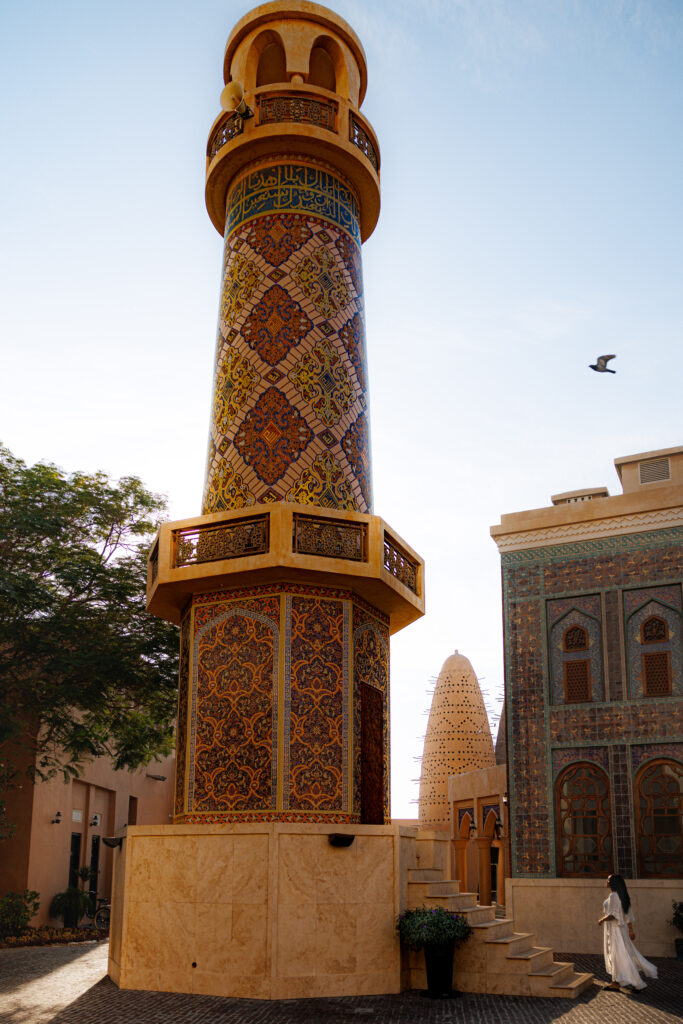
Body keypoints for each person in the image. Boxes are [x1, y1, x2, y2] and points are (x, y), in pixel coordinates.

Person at [598, 874, 657, 991]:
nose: (607, 881)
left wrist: (601, 919)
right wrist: (630, 930)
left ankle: (631, 983)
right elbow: (628, 915)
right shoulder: (622, 896)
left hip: (615, 930)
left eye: (609, 879)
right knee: (622, 955)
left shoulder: (614, 896)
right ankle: (623, 982)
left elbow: (613, 915)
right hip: (621, 929)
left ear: (613, 883)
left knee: (618, 956)